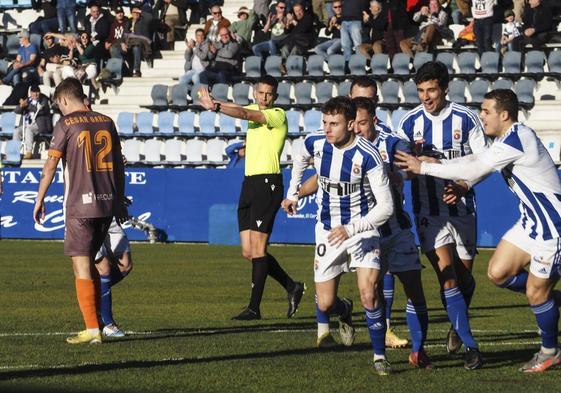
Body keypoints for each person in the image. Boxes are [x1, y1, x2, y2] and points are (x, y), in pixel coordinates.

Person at [396, 88, 561, 373]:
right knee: (498, 272)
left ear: (504, 115)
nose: (481, 116)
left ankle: (550, 351)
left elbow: (477, 165)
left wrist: (424, 168)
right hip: (530, 223)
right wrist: (457, 178)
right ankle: (547, 299)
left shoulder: (518, 138)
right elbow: (477, 164)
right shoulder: (506, 140)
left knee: (535, 293)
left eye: (486, 112)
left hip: (552, 226)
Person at [283, 96, 394, 375]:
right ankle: (344, 310)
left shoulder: (368, 156)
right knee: (326, 303)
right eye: (324, 122)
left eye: (334, 123)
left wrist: (352, 228)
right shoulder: (316, 143)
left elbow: (387, 207)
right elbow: (300, 157)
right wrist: (292, 192)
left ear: (351, 124)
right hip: (327, 231)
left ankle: (379, 356)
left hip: (362, 231)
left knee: (369, 294)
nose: (328, 129)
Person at [395, 61, 487, 370]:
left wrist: (463, 184)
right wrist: (409, 166)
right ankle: (472, 348)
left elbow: (483, 162)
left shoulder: (466, 118)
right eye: (420, 91)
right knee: (448, 280)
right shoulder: (408, 123)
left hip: (462, 209)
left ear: (445, 89)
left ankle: (456, 326)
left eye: (431, 90)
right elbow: (402, 170)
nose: (425, 97)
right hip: (428, 213)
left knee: (463, 280)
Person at [197, 75, 305, 320]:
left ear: (275, 96)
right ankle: (292, 286)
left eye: (269, 94)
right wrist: (214, 101)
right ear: (255, 93)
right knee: (249, 251)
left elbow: (245, 115)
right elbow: (240, 109)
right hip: (249, 183)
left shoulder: (277, 115)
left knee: (258, 249)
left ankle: (254, 308)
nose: (264, 97)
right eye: (261, 93)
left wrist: (215, 107)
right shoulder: (254, 107)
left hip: (268, 183)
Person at [33, 77, 127, 344]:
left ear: (64, 99)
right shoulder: (107, 121)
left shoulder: (65, 124)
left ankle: (92, 329)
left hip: (79, 205)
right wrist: (119, 198)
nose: (60, 110)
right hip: (107, 204)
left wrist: (39, 198)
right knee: (96, 267)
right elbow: (118, 165)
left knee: (81, 266)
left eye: (58, 105)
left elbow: (50, 166)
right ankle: (98, 323)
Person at [95, 217, 133, 337]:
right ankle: (108, 324)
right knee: (104, 267)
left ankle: (91, 295)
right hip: (87, 214)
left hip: (109, 216)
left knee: (125, 265)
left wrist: (119, 200)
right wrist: (40, 200)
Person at [13, 85, 52, 159]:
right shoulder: (28, 100)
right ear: (30, 93)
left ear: (39, 92)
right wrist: (21, 106)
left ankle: (29, 152)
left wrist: (28, 106)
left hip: (40, 124)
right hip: (28, 124)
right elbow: (16, 111)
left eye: (37, 92)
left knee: (29, 129)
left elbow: (42, 111)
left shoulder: (44, 99)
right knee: (17, 131)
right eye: (34, 92)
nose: (35, 94)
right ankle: (15, 153)